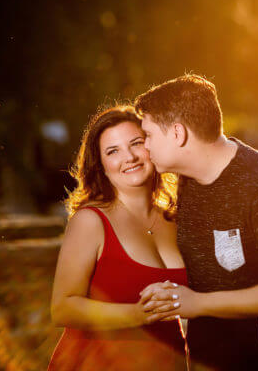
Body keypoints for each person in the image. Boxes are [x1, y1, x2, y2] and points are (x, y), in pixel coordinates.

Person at [134, 74, 258, 370]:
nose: (145, 147)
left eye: (149, 135)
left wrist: (198, 303)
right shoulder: (184, 182)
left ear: (178, 134)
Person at [48, 105, 189, 370]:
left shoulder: (177, 220)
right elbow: (63, 308)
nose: (130, 157)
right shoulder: (90, 221)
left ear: (152, 145)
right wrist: (137, 314)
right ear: (100, 164)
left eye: (136, 143)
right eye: (113, 151)